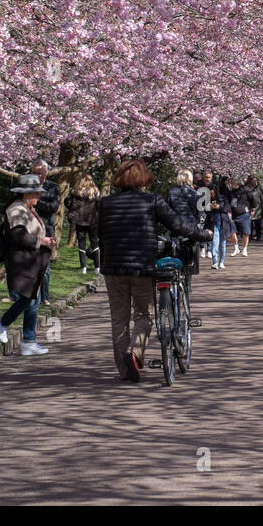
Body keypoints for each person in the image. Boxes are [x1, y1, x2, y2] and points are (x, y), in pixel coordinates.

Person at [96, 160, 210, 382]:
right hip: (142, 266)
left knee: (119, 319)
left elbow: (101, 234)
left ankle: (124, 370)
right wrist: (203, 234)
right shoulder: (152, 200)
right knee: (144, 314)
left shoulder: (106, 203)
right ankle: (135, 352)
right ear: (144, 178)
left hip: (114, 268)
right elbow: (177, 224)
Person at [0, 174, 55, 356]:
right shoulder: (16, 209)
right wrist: (41, 241)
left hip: (31, 261)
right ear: (27, 194)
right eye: (36, 194)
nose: (39, 197)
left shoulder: (26, 208)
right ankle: (3, 324)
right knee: (27, 299)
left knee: (33, 300)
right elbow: (18, 236)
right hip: (21, 261)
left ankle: (29, 341)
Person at [167, 169, 202, 294]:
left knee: (174, 251)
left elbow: (168, 210)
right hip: (190, 226)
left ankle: (175, 278)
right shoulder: (195, 194)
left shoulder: (171, 192)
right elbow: (199, 213)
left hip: (176, 226)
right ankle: (188, 281)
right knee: (190, 252)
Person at [31, 158, 60, 304]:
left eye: (40, 173)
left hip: (46, 228)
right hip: (30, 229)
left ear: (46, 173)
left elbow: (53, 207)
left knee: (44, 264)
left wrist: (35, 201)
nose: (37, 176)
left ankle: (45, 296)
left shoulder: (53, 187)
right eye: (34, 173)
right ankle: (32, 295)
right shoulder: (28, 185)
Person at [66, 176, 101, 274]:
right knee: (94, 243)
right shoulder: (95, 192)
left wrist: (72, 210)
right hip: (92, 220)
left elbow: (67, 202)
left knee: (81, 244)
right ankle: (97, 268)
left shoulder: (75, 192)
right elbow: (99, 206)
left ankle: (83, 268)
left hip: (79, 220)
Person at [226, 177, 255, 257]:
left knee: (246, 232)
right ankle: (236, 248)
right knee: (232, 231)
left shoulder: (246, 190)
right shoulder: (231, 192)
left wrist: (252, 209)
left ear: (238, 183)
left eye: (233, 182)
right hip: (233, 214)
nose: (231, 184)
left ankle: (245, 249)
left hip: (244, 214)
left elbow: (253, 200)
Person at [248, 175, 263, 242]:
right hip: (250, 209)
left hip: (258, 209)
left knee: (258, 224)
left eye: (256, 181)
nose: (255, 182)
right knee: (250, 224)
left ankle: (258, 236)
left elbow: (262, 198)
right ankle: (249, 236)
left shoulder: (259, 188)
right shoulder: (248, 188)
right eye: (253, 181)